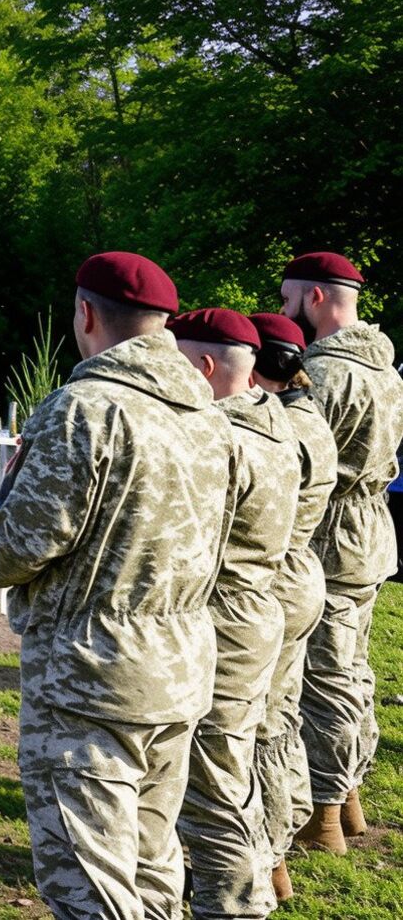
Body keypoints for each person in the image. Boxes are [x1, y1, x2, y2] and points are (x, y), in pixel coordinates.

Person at [0, 253, 233, 919]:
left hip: (89, 682)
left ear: (85, 315)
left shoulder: (83, 410)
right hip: (178, 674)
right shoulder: (209, 415)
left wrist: (7, 492)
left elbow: (13, 553)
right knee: (152, 878)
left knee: (91, 886)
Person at [168, 309, 295, 919]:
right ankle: (261, 878)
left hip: (222, 617)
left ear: (205, 366)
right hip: (255, 609)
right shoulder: (275, 425)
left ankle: (236, 906)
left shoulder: (220, 439)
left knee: (213, 780)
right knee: (232, 762)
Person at [281, 252, 403, 852]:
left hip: (330, 531)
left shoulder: (328, 372)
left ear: (316, 298)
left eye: (287, 299)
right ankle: (349, 797)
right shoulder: (383, 364)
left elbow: (303, 460)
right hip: (371, 527)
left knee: (324, 675)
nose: (284, 311)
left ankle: (324, 813)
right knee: (352, 667)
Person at [249, 310, 335, 901]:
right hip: (302, 574)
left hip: (271, 580)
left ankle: (268, 851)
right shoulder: (310, 418)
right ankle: (280, 851)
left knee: (256, 731)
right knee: (279, 720)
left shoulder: (276, 428)